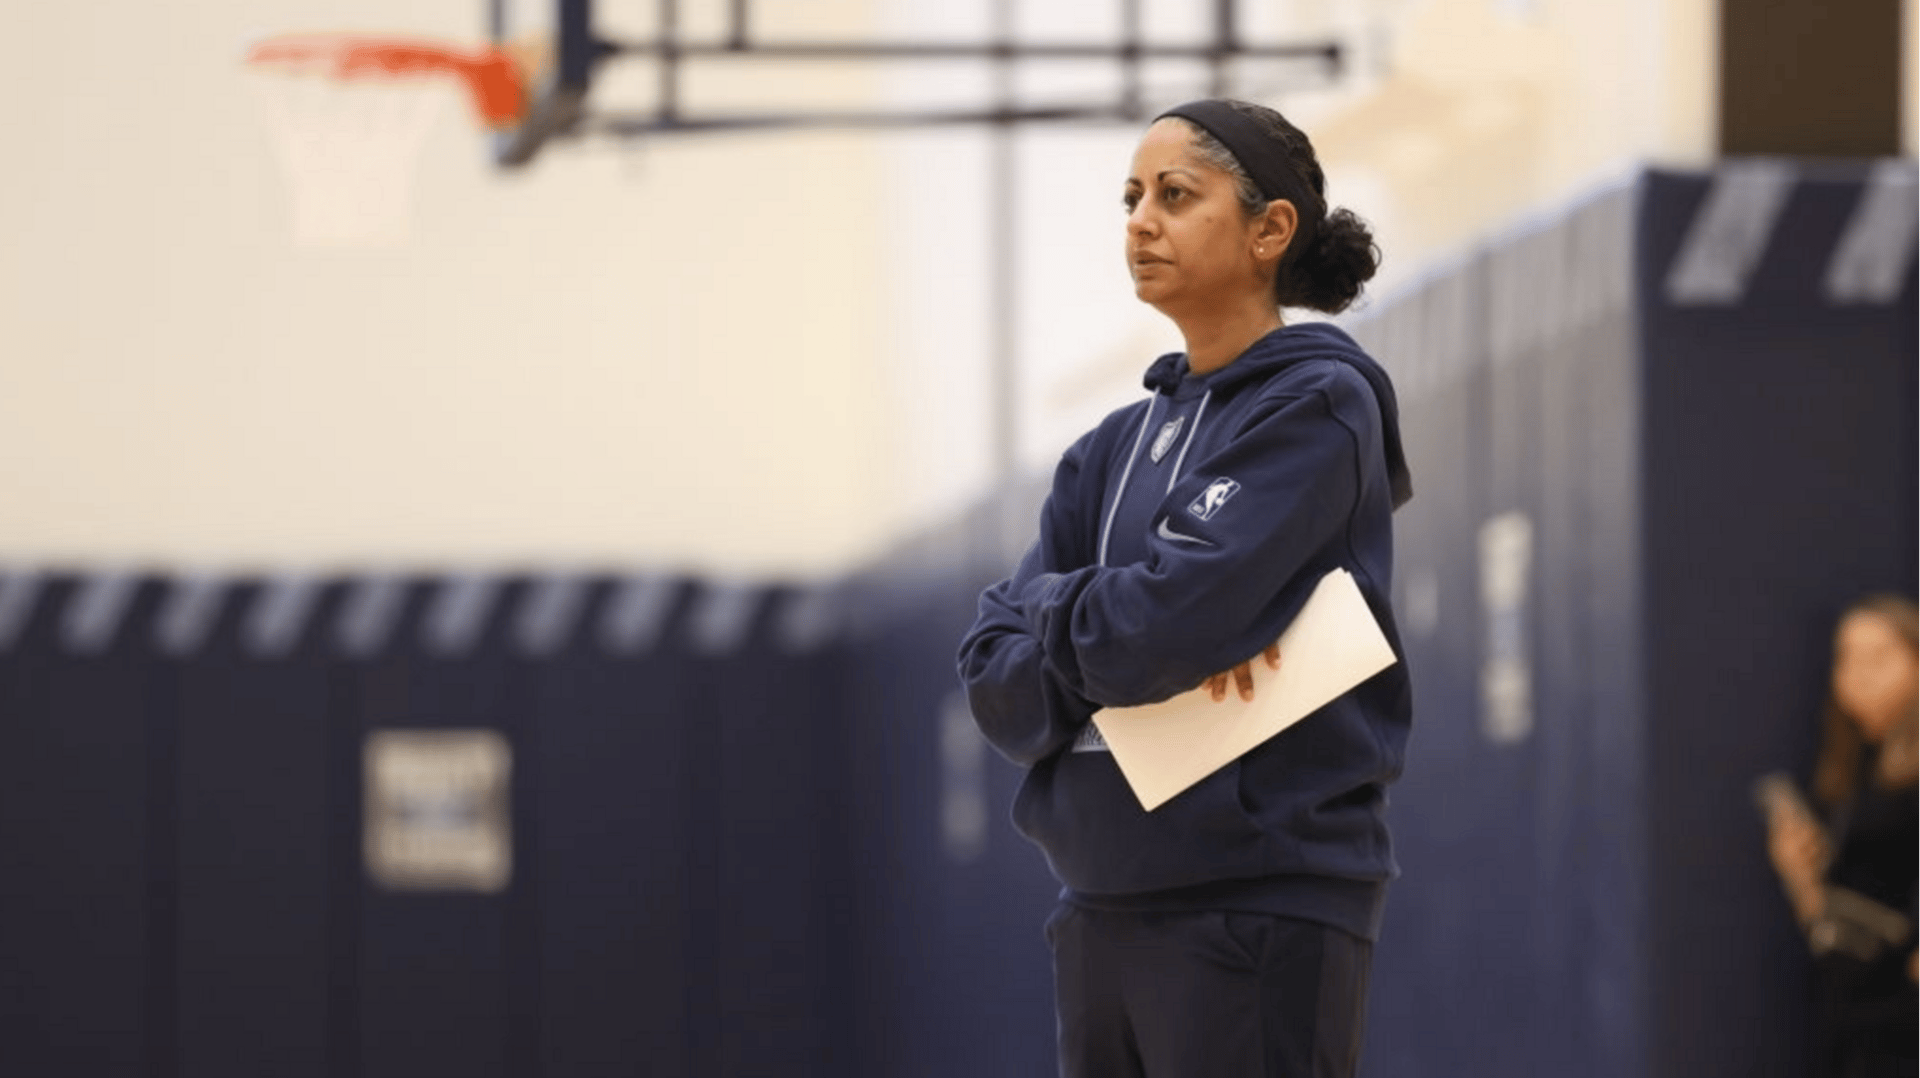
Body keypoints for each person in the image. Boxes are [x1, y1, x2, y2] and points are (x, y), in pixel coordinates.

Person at [954, 98, 1413, 1078]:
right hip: (1098, 907)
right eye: (1130, 197)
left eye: (1174, 194)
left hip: (1255, 906)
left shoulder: (1319, 402)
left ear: (1268, 230)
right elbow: (995, 678)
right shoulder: (1106, 451)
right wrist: (1095, 621)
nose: (1139, 221)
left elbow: (1158, 627)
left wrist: (1063, 613)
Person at [1764, 596, 1920, 1078]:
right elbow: (1828, 926)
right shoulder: (1851, 780)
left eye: (1878, 657)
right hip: (1850, 1025)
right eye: (1846, 658)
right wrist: (1800, 877)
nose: (1857, 675)